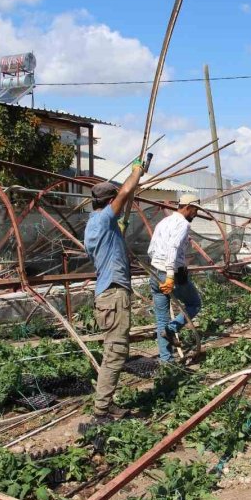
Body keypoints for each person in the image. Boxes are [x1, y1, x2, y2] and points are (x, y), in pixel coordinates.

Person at [83, 160, 144, 421]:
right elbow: (124, 194)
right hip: (113, 294)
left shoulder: (95, 225)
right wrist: (137, 172)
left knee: (115, 351)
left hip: (108, 295)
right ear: (108, 203)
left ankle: (106, 405)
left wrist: (119, 232)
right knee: (116, 352)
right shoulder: (104, 218)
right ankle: (102, 410)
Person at [147, 194, 203, 363]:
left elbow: (152, 248)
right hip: (172, 275)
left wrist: (159, 267)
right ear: (188, 207)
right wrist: (170, 274)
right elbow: (172, 247)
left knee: (161, 318)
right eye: (195, 209)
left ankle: (167, 361)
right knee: (194, 304)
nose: (196, 213)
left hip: (155, 272)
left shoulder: (164, 222)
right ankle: (172, 329)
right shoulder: (183, 224)